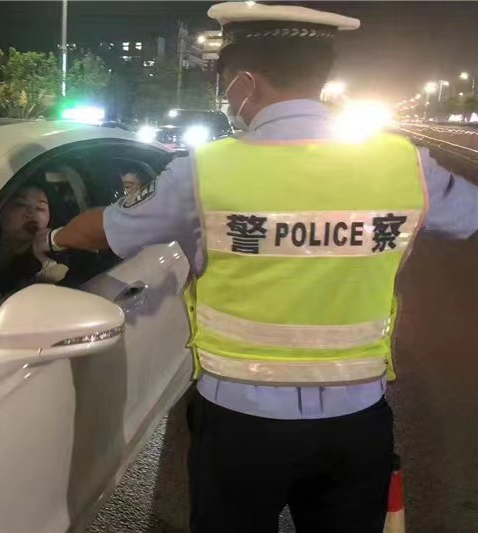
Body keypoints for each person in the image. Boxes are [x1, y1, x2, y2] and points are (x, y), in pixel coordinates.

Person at [34, 2, 478, 531]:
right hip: (356, 419)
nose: (228, 99)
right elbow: (470, 217)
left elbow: (102, 230)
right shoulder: (404, 164)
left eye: (226, 86)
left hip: (241, 423)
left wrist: (49, 237)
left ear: (245, 82)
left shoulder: (206, 171)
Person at [0, 183, 68, 313]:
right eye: (20, 204)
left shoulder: (53, 262)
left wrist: (43, 260)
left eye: (40, 208)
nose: (31, 214)